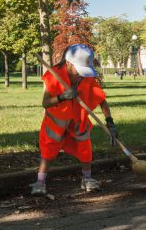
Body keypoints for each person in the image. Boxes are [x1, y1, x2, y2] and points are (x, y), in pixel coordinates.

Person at [30, 44, 119, 196]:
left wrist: (110, 122)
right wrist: (62, 96)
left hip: (79, 120)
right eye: (80, 70)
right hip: (56, 121)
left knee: (85, 148)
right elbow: (45, 102)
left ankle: (87, 178)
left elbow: (102, 100)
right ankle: (40, 182)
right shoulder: (53, 75)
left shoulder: (87, 78)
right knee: (48, 149)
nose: (81, 75)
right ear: (69, 64)